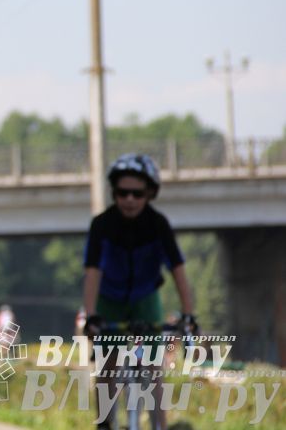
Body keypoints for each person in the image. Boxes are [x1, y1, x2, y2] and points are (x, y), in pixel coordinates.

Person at [82, 153, 198, 430]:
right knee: (108, 362)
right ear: (114, 193)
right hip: (109, 299)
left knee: (152, 366)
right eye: (122, 193)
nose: (130, 199)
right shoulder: (102, 225)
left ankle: (159, 425)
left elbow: (178, 270)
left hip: (146, 298)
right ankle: (105, 423)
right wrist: (91, 316)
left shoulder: (158, 225)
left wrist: (189, 315)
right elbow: (92, 272)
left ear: (149, 194)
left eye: (137, 193)